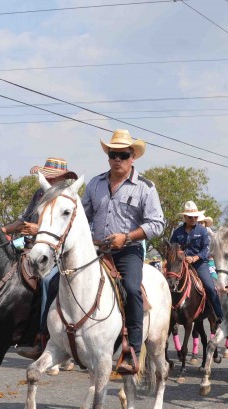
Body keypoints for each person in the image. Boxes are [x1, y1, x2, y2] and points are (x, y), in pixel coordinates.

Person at [81, 130, 165, 374]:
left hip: (128, 251)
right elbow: (82, 216)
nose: (117, 158)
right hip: (97, 251)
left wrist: (126, 237)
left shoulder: (146, 188)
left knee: (130, 289)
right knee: (59, 280)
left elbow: (156, 223)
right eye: (113, 154)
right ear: (108, 157)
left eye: (123, 154)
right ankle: (48, 338)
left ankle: (132, 352)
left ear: (133, 157)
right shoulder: (94, 184)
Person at [7, 157, 80, 360]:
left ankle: (42, 337)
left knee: (47, 282)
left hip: (56, 252)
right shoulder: (39, 193)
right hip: (32, 248)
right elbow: (23, 219)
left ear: (63, 178)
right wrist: (1, 230)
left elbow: (66, 227)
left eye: (52, 176)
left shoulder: (66, 196)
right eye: (46, 175)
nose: (48, 179)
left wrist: (37, 229)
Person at [169, 201, 224, 322]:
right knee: (167, 283)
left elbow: (206, 249)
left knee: (210, 287)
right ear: (184, 217)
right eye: (190, 217)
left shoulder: (202, 231)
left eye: (195, 217)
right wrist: (180, 255)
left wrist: (194, 258)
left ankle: (219, 314)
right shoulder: (177, 232)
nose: (193, 219)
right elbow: (172, 248)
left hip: (200, 264)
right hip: (181, 264)